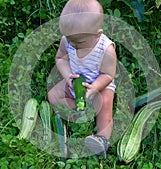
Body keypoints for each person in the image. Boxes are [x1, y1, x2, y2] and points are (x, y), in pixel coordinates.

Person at [48, 0, 117, 159]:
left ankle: (101, 139)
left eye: (78, 42)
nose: (72, 44)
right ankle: (81, 112)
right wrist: (67, 77)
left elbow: (108, 75)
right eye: (69, 40)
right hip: (76, 82)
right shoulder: (68, 40)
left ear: (97, 34)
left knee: (105, 107)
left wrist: (95, 88)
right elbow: (60, 58)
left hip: (100, 85)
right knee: (53, 95)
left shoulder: (106, 48)